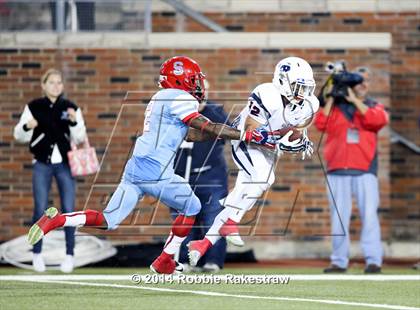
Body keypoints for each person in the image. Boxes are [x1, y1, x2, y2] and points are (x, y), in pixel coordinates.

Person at [27, 56, 283, 275]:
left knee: (108, 219)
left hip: (136, 166)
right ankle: (165, 260)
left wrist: (232, 131)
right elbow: (205, 126)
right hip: (155, 169)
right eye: (193, 79)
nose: (197, 85)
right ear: (180, 79)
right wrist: (244, 134)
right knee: (192, 205)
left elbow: (194, 134)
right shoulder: (180, 97)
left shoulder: (162, 97)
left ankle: (56, 220)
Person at [187, 57, 319, 267]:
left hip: (267, 146)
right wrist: (279, 141)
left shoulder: (310, 104)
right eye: (297, 86)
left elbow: (295, 131)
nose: (302, 93)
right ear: (283, 81)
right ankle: (231, 223)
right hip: (244, 141)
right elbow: (251, 131)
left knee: (242, 194)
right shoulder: (267, 94)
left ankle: (202, 244)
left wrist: (298, 139)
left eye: (305, 88)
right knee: (265, 178)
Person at [314, 67, 389, 274]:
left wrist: (355, 101)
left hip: (365, 171)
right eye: (359, 82)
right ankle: (339, 261)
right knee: (338, 219)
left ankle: (374, 261)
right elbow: (320, 123)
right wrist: (330, 98)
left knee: (370, 217)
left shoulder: (374, 106)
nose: (363, 85)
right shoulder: (336, 108)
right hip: (337, 170)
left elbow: (377, 121)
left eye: (366, 81)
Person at [14, 68, 87, 273]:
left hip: (64, 164)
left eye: (59, 82)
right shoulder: (34, 107)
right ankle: (37, 254)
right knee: (40, 209)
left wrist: (73, 122)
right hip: (42, 164)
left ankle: (69, 255)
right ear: (43, 85)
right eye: (52, 82)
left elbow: (80, 137)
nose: (56, 85)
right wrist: (28, 127)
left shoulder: (70, 107)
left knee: (69, 209)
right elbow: (18, 135)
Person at [172, 93, 229, 273]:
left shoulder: (214, 110)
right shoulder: (176, 111)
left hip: (211, 174)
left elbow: (226, 131)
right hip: (180, 175)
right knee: (185, 219)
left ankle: (213, 261)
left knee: (213, 218)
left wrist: (203, 111)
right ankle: (186, 260)